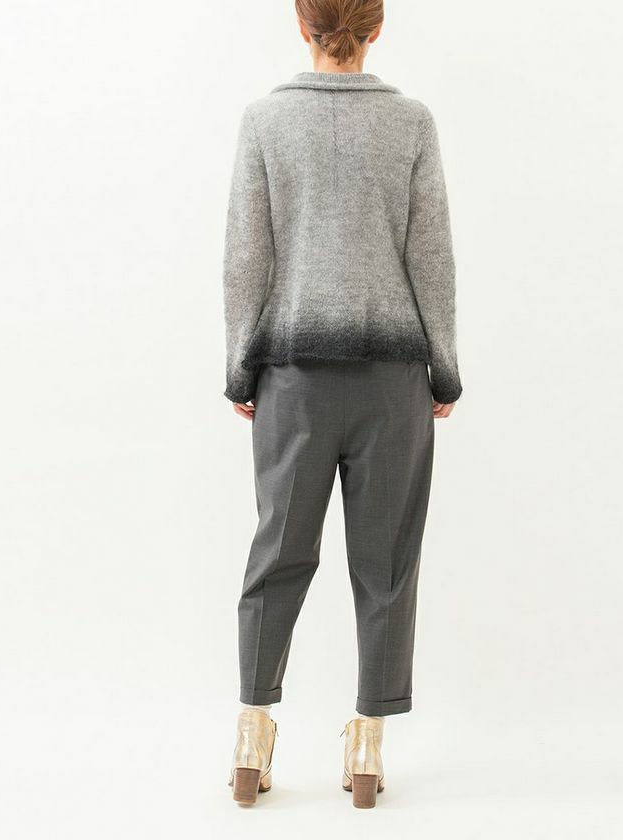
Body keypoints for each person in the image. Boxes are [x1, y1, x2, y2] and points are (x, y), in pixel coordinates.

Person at [223, 0, 462, 809]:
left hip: (293, 379)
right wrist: (444, 370)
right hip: (393, 381)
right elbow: (431, 259)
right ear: (377, 28)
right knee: (385, 564)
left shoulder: (265, 121)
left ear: (303, 26)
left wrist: (242, 367)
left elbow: (246, 259)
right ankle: (366, 747)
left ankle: (252, 735)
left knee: (278, 553)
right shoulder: (411, 123)